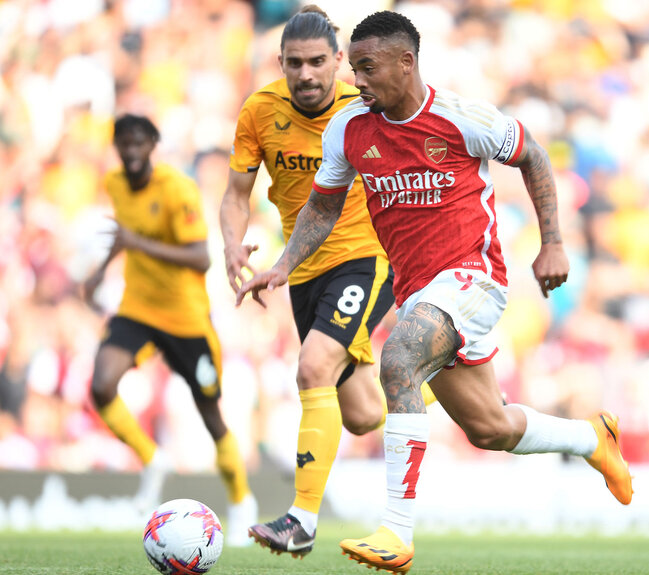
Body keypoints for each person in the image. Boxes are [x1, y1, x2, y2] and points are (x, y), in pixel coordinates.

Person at [237, 10, 633, 574]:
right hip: (420, 289)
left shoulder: (460, 118)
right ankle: (591, 439)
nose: (357, 81)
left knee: (397, 358)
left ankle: (396, 532)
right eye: (354, 68)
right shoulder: (349, 130)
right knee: (488, 427)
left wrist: (552, 243)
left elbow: (533, 156)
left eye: (367, 68)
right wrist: (282, 265)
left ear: (407, 62)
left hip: (475, 277)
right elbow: (322, 206)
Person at [219, 5, 436, 558]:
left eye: (318, 62)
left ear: (339, 61)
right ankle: (439, 389)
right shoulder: (259, 111)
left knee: (313, 365)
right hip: (299, 269)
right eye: (295, 63)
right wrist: (230, 242)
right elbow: (235, 195)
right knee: (363, 415)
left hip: (368, 257)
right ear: (281, 63)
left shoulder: (366, 105)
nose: (307, 74)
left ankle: (302, 520)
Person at [84, 114, 257, 547]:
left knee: (210, 415)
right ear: (116, 146)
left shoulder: (177, 188)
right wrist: (99, 271)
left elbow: (200, 258)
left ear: (153, 145)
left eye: (139, 142)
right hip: (138, 308)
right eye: (124, 142)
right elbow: (124, 236)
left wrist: (135, 245)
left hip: (186, 319)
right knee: (102, 385)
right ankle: (152, 459)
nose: (131, 150)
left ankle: (241, 501)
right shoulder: (116, 185)